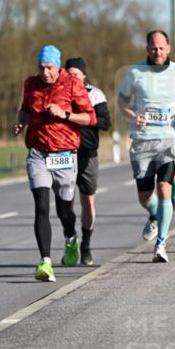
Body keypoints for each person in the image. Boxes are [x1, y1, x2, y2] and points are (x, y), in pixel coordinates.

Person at [13, 45, 96, 282]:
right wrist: (21, 122)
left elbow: (90, 118)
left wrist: (65, 114)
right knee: (41, 205)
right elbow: (25, 110)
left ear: (57, 66)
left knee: (64, 211)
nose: (45, 72)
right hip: (38, 152)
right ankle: (45, 262)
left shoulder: (72, 84)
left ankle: (71, 239)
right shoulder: (30, 84)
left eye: (49, 67)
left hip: (65, 154)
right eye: (41, 67)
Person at [117, 30, 175, 263]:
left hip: (170, 138)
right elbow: (121, 101)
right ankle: (153, 214)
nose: (157, 51)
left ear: (168, 48)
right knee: (144, 196)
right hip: (143, 140)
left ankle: (161, 243)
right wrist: (132, 116)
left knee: (164, 188)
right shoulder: (135, 72)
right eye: (153, 47)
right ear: (147, 48)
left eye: (161, 47)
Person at [64, 57, 111, 265]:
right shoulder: (59, 93)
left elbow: (105, 123)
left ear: (84, 76)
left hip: (87, 153)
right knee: (64, 202)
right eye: (69, 74)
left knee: (87, 201)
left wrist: (81, 118)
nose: (72, 77)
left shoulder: (95, 94)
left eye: (76, 74)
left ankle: (86, 245)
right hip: (64, 153)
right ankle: (70, 242)